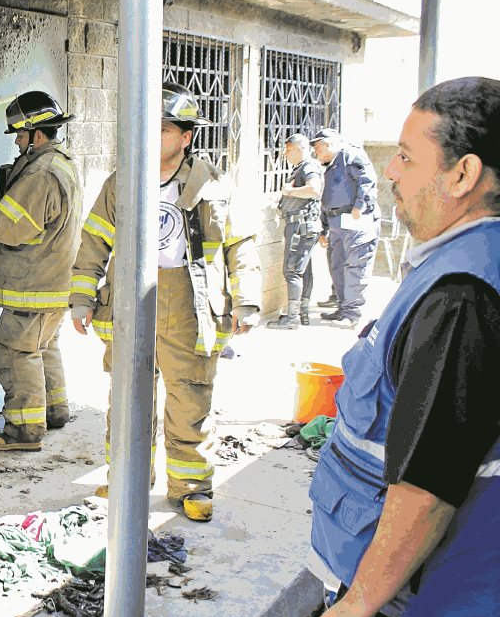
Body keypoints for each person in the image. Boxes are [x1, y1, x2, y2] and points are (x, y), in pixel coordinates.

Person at [308, 76, 500, 617]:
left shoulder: (461, 297)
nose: (390, 171)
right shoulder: (462, 266)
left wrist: (356, 608)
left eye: (408, 158)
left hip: (431, 604)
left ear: (462, 174)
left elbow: (427, 484)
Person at [70, 83, 262, 522]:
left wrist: (246, 301)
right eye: (146, 127)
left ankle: (191, 486)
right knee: (126, 398)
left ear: (186, 136)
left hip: (189, 304)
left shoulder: (211, 184)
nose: (152, 136)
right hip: (130, 301)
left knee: (189, 398)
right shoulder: (122, 181)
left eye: (162, 128)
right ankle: (126, 478)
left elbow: (241, 245)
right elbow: (94, 240)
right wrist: (82, 296)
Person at [0, 90, 81, 456]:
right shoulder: (61, 164)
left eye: (19, 134)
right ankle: (53, 411)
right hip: (54, 282)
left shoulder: (40, 173)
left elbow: (11, 226)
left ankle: (24, 431)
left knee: (15, 351)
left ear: (36, 136)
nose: (16, 140)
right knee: (43, 348)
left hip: (33, 284)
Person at [311, 128, 379, 330]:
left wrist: (361, 205)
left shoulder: (350, 154)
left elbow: (367, 180)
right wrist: (323, 229)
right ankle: (342, 308)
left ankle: (352, 313)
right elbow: (326, 198)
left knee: (355, 267)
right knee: (337, 266)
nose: (316, 152)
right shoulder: (328, 165)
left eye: (317, 147)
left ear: (328, 144)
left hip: (355, 220)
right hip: (336, 223)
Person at [267, 133, 323, 329]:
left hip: (300, 226)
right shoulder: (304, 167)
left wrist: (288, 191)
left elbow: (314, 190)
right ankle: (302, 313)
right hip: (304, 225)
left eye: (289, 149)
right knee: (303, 270)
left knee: (292, 271)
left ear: (300, 148)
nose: (286, 153)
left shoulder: (308, 167)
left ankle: (292, 319)